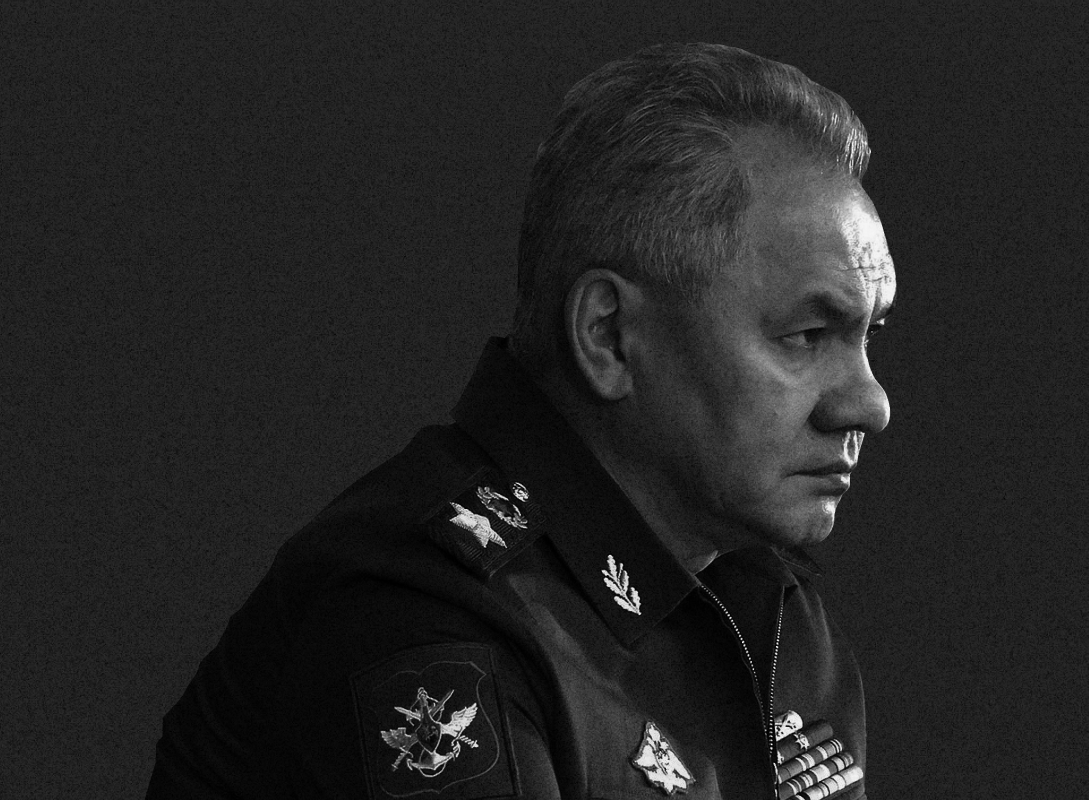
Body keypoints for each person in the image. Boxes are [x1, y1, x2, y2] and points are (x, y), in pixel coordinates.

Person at [148, 42, 895, 800]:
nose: (870, 404)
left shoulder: (776, 612)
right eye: (807, 335)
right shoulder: (424, 615)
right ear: (609, 337)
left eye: (870, 334)